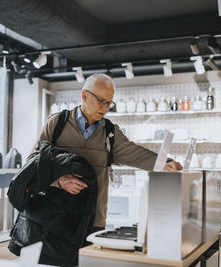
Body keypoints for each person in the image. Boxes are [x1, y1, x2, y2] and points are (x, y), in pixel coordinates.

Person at [31, 73, 182, 234]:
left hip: (93, 221)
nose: (105, 107)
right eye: (101, 101)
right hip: (55, 217)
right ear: (84, 95)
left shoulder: (110, 132)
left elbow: (136, 154)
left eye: (109, 103)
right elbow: (33, 162)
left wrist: (166, 162)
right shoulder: (57, 123)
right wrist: (59, 180)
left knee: (92, 260)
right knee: (53, 260)